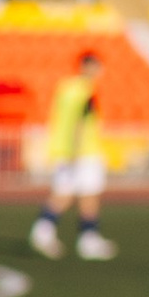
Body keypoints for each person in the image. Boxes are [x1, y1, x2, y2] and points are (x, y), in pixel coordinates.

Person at [32, 47, 115, 260]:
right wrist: (75, 150)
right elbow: (78, 122)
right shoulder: (84, 90)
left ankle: (45, 231)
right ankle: (86, 239)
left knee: (66, 193)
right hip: (81, 151)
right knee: (85, 194)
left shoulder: (67, 87)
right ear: (88, 66)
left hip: (67, 149)